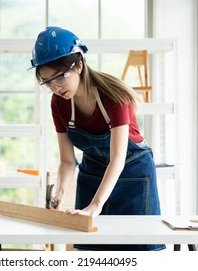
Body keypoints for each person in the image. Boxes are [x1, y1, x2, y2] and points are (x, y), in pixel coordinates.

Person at [30, 26, 165, 251]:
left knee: (138, 250)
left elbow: (118, 157)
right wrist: (58, 195)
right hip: (93, 173)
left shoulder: (114, 96)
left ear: (79, 65)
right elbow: (67, 160)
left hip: (133, 174)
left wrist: (96, 205)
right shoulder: (59, 103)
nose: (55, 87)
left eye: (60, 77)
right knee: (91, 251)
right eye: (47, 82)